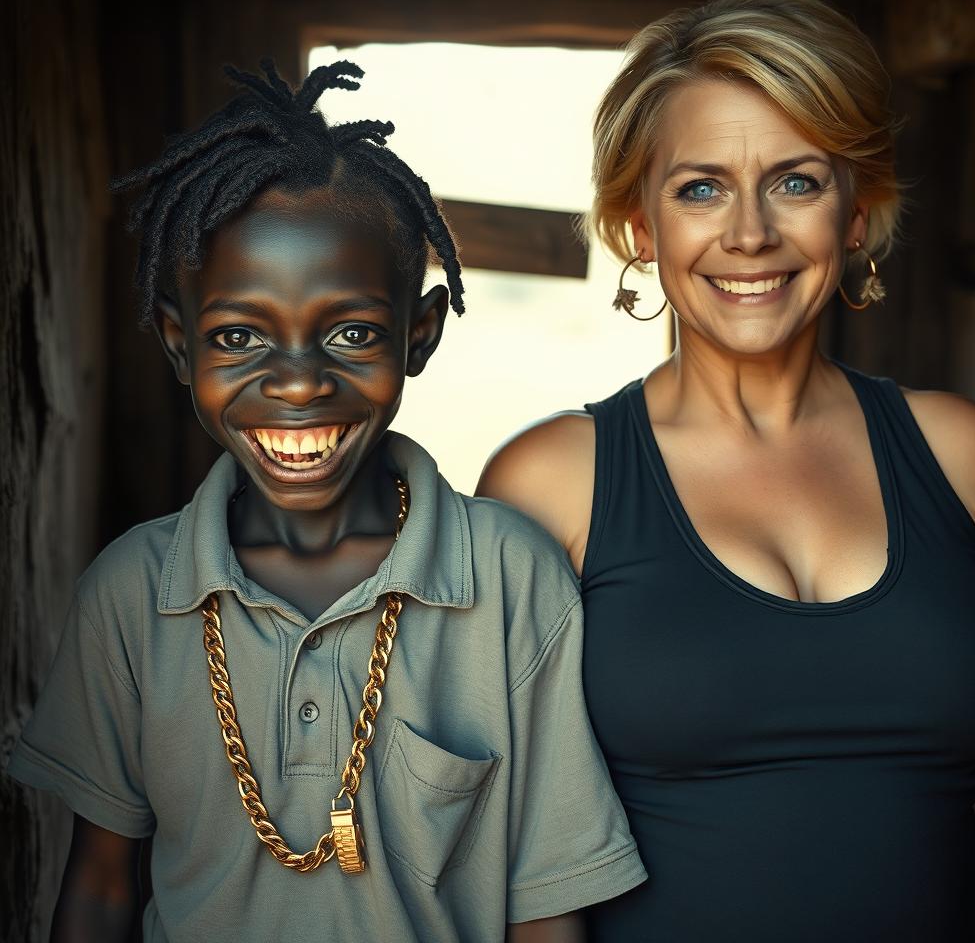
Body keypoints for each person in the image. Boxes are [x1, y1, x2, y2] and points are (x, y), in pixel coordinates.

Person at [7, 59, 646, 943]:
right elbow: (101, 888)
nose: (299, 385)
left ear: (418, 334)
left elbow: (547, 909)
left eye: (351, 334)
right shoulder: (130, 593)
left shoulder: (509, 580)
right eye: (238, 337)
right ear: (176, 342)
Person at [477, 0, 975, 942]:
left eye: (796, 181)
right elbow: (528, 857)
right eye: (699, 189)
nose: (749, 234)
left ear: (858, 212)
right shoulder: (552, 484)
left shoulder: (965, 454)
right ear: (639, 229)